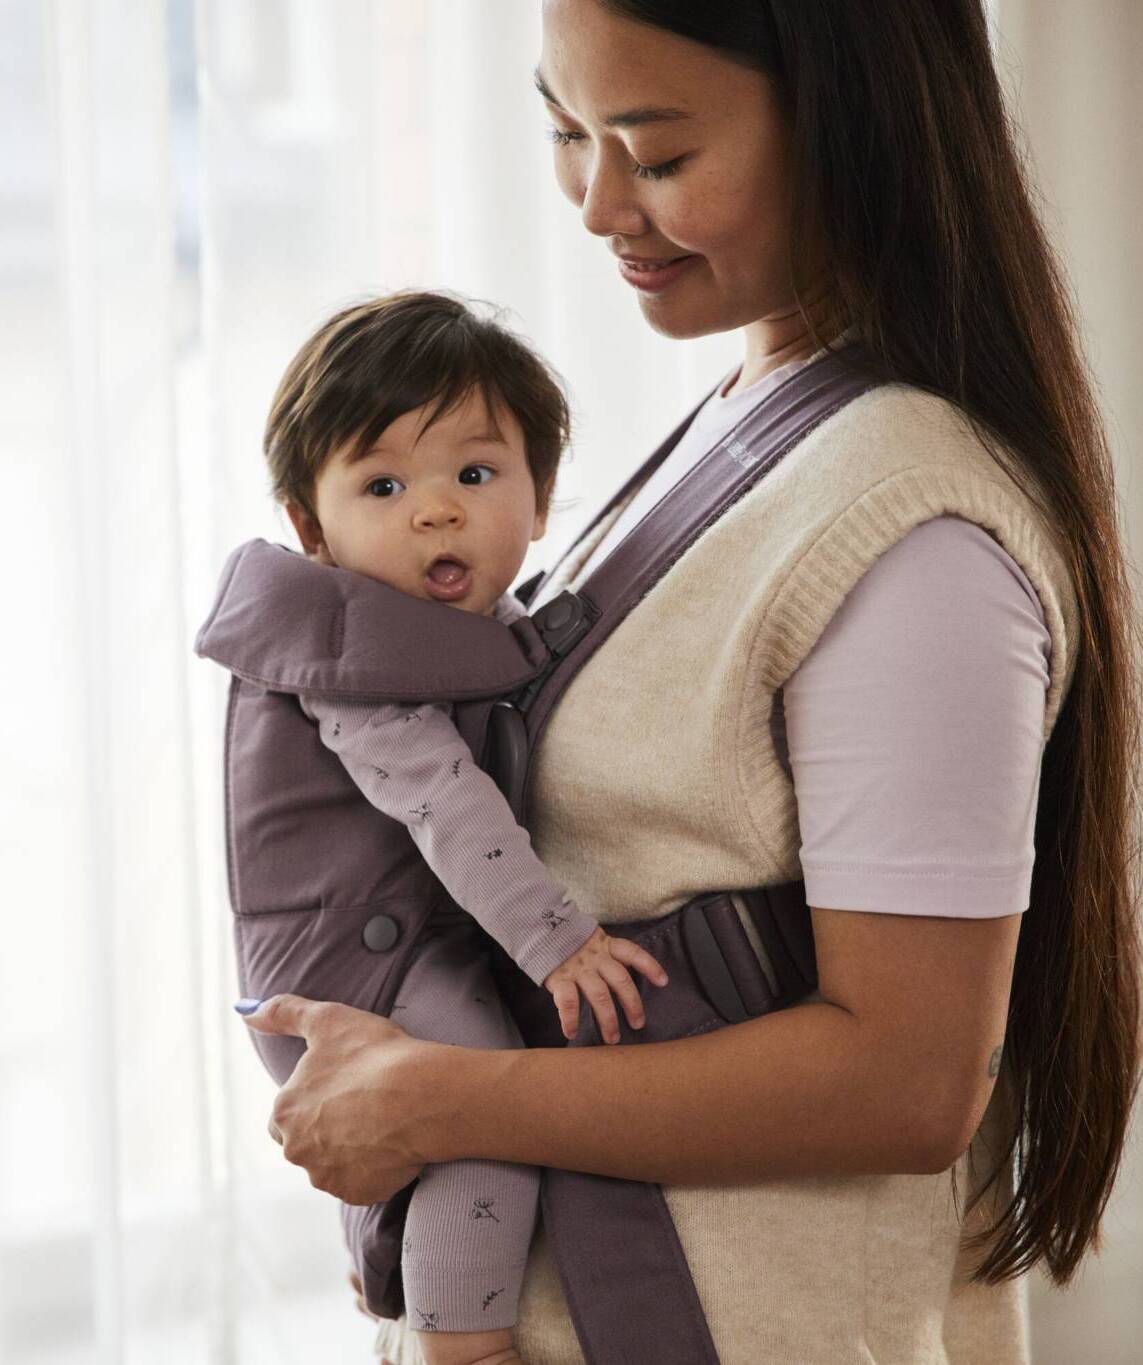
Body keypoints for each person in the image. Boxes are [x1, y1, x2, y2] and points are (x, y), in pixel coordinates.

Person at [238, 3, 1143, 1362]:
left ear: (853, 132)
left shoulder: (912, 538)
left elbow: (907, 1081)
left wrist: (439, 1103)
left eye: (658, 155)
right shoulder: (749, 418)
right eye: (566, 132)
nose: (598, 204)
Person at [239, 289, 670, 1365]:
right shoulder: (349, 654)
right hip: (342, 966)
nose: (435, 511)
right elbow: (442, 798)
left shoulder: (473, 623)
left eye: (474, 476)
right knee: (478, 1105)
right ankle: (463, 1347)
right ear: (311, 529)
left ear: (541, 494)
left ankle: (388, 1247)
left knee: (457, 1107)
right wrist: (558, 940)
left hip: (402, 937)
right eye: (383, 486)